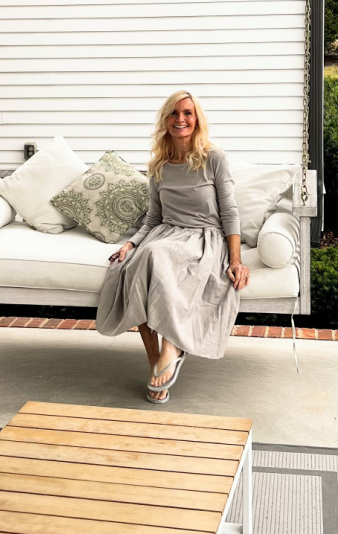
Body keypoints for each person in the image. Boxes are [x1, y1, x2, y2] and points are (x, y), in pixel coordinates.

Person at [95, 90, 249, 403]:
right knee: (133, 265)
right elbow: (152, 218)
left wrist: (236, 261)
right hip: (164, 234)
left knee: (153, 255)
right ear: (166, 121)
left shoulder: (213, 159)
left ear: (197, 119)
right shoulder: (159, 167)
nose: (181, 119)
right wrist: (129, 244)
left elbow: (230, 212)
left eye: (188, 113)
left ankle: (172, 346)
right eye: (174, 114)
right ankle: (156, 358)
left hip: (205, 238)